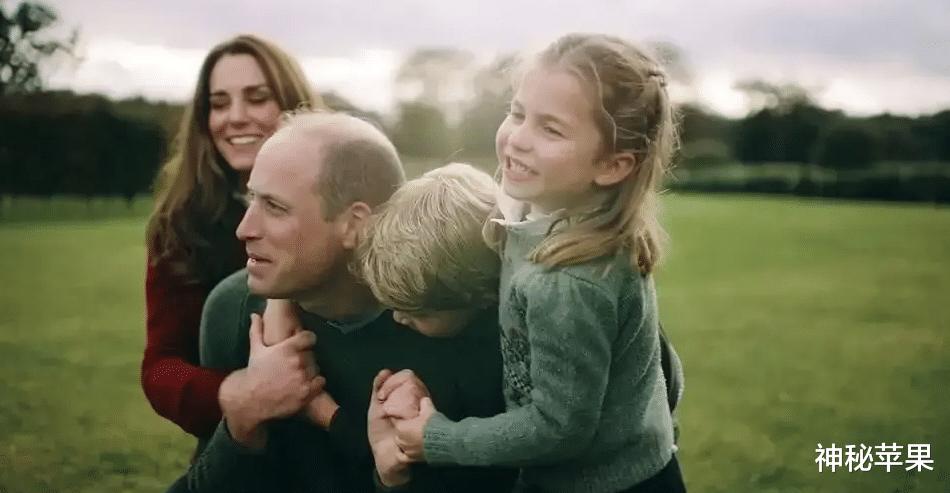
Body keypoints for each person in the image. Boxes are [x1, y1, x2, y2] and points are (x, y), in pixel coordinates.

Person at [378, 33, 688, 493]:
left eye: (551, 129)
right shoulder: (544, 213)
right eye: (518, 113)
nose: (518, 139)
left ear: (612, 166)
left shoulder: (568, 283)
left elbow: (557, 429)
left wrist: (438, 439)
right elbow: (663, 368)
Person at [173, 111, 517, 492]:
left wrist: (392, 478)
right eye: (252, 197)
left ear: (354, 224)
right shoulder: (233, 309)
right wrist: (243, 419)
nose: (244, 228)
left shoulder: (449, 318)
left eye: (275, 207)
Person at [142, 34, 323, 440]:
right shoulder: (182, 224)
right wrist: (238, 392)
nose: (235, 117)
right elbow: (161, 366)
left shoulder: (346, 203)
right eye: (219, 104)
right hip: (239, 450)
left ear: (296, 106)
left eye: (257, 98)